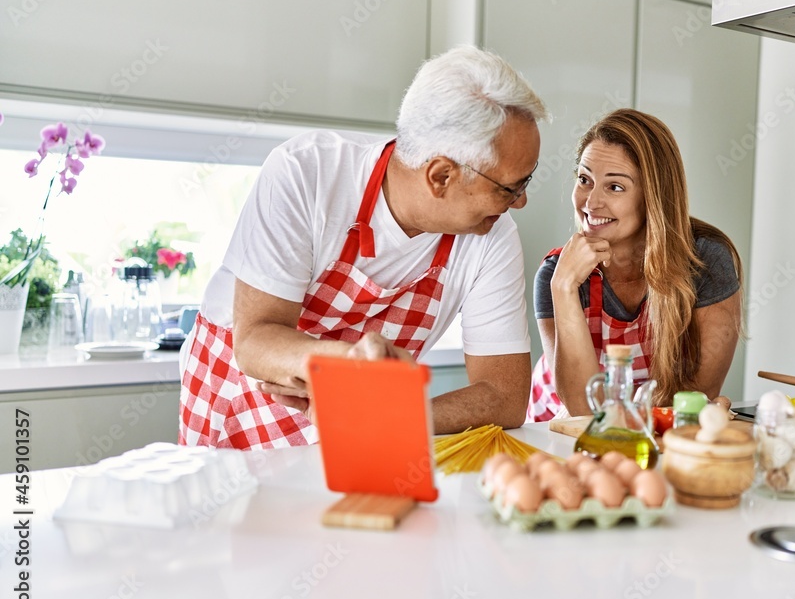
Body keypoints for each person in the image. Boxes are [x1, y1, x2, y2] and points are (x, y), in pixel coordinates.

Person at [180, 45, 549, 449]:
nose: (520, 202)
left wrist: (395, 415)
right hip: (243, 396)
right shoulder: (308, 173)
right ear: (441, 176)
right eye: (510, 188)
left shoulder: (492, 236)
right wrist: (349, 367)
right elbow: (256, 340)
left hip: (363, 421)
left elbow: (505, 396)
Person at [527, 109, 743, 422]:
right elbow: (584, 414)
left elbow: (692, 402)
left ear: (653, 196)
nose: (591, 203)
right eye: (585, 180)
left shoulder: (706, 261)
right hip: (560, 438)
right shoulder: (558, 274)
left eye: (615, 187)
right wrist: (563, 289)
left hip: (650, 439)